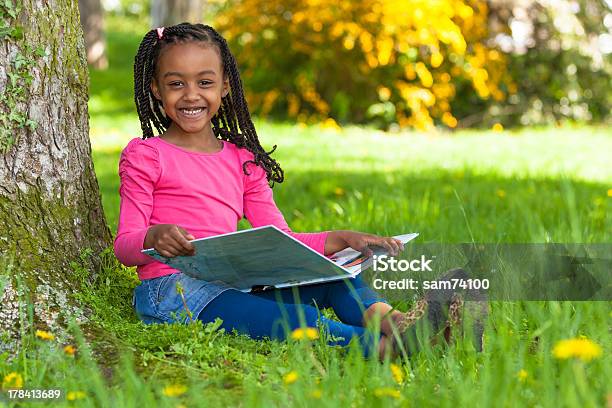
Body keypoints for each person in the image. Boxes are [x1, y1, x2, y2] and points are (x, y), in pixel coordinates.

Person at [114, 23, 471, 360]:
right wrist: (153, 236)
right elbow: (125, 246)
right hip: (175, 292)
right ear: (156, 90)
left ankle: (398, 325)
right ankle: (384, 350)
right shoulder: (146, 155)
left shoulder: (243, 160)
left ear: (224, 86)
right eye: (176, 84)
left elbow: (281, 240)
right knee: (294, 320)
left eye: (204, 82)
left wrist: (341, 239)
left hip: (237, 283)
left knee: (337, 279)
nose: (192, 95)